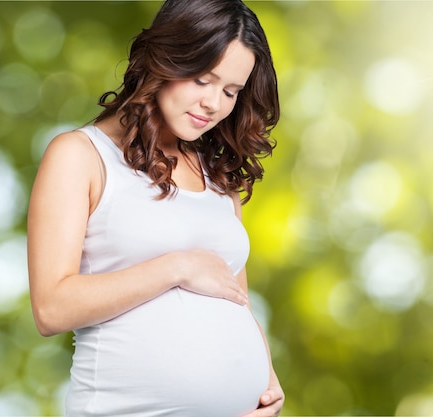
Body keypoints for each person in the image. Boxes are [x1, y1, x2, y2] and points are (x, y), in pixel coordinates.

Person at [27, 0, 283, 415]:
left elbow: (239, 301)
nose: (213, 104)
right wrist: (175, 267)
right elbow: (51, 308)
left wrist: (267, 383)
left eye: (231, 91)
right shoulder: (81, 155)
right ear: (165, 59)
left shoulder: (218, 178)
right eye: (203, 80)